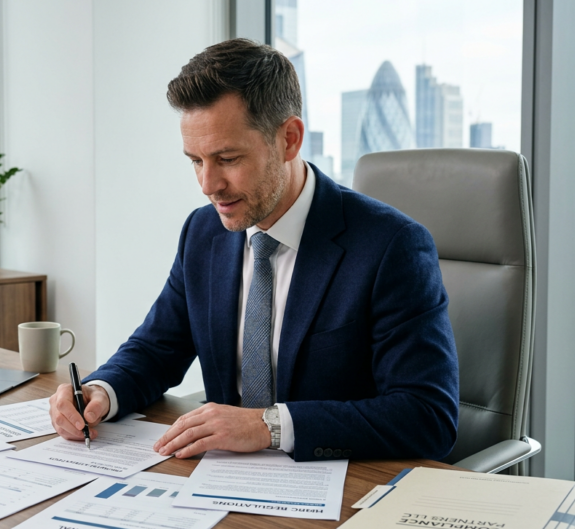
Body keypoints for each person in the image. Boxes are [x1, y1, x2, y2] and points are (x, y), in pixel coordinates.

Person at [49, 38, 459, 462]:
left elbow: (428, 416)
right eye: (195, 160)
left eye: (227, 158)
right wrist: (100, 391)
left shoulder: (390, 246)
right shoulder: (202, 232)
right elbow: (157, 349)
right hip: (220, 483)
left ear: (290, 139)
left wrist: (270, 426)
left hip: (339, 491)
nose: (208, 185)